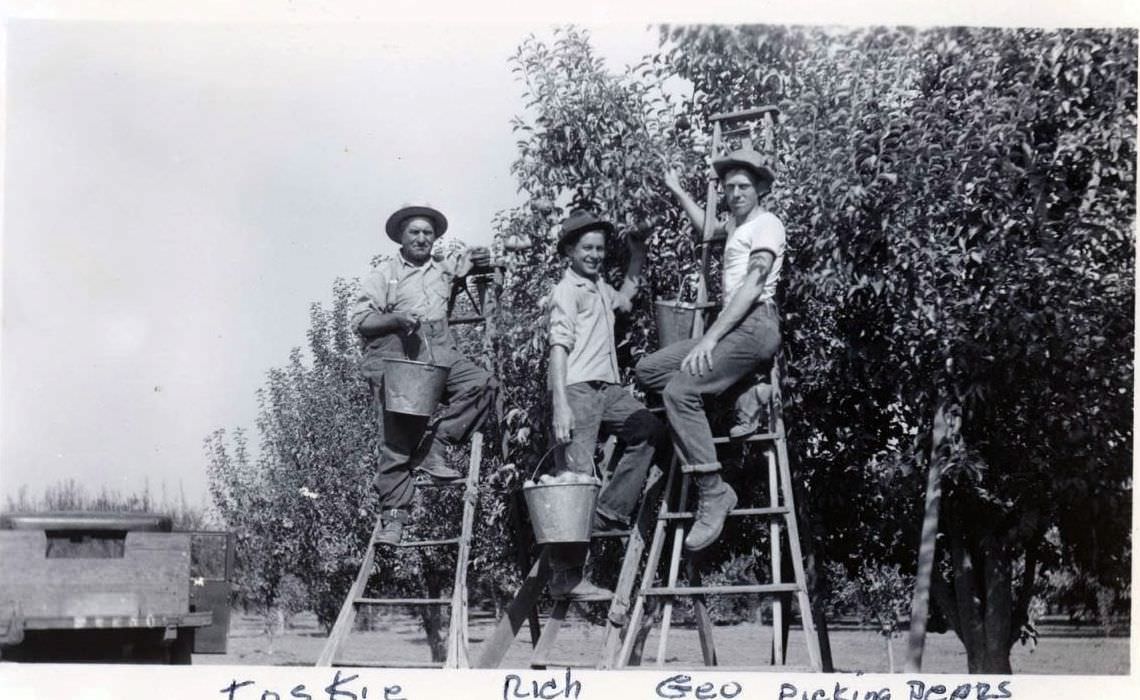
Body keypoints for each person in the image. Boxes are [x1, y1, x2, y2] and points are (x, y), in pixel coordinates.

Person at [635, 149, 785, 552]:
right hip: (737, 327)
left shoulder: (767, 224)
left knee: (679, 392)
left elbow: (754, 285)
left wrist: (710, 338)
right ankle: (746, 391)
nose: (735, 193)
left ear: (761, 190)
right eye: (729, 187)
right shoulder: (737, 227)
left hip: (753, 323)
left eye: (743, 187)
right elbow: (708, 228)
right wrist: (677, 190)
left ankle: (713, 490)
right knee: (649, 371)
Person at [350, 204, 497, 545]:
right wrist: (396, 318)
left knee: (482, 384)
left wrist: (483, 256)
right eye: (414, 232)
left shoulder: (444, 268)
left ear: (435, 239)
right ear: (401, 237)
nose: (421, 238)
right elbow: (361, 321)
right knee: (398, 438)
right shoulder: (384, 273)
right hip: (398, 351)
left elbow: (478, 260)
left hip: (439, 347)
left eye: (427, 233)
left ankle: (437, 445)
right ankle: (394, 519)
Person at [545, 209, 665, 600]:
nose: (595, 254)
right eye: (587, 248)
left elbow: (627, 297)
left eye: (599, 248)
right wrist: (559, 404)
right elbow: (558, 350)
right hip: (577, 389)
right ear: (569, 251)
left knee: (647, 429)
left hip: (608, 388)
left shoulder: (599, 287)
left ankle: (608, 512)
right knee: (575, 477)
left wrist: (637, 252)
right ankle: (565, 576)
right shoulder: (567, 291)